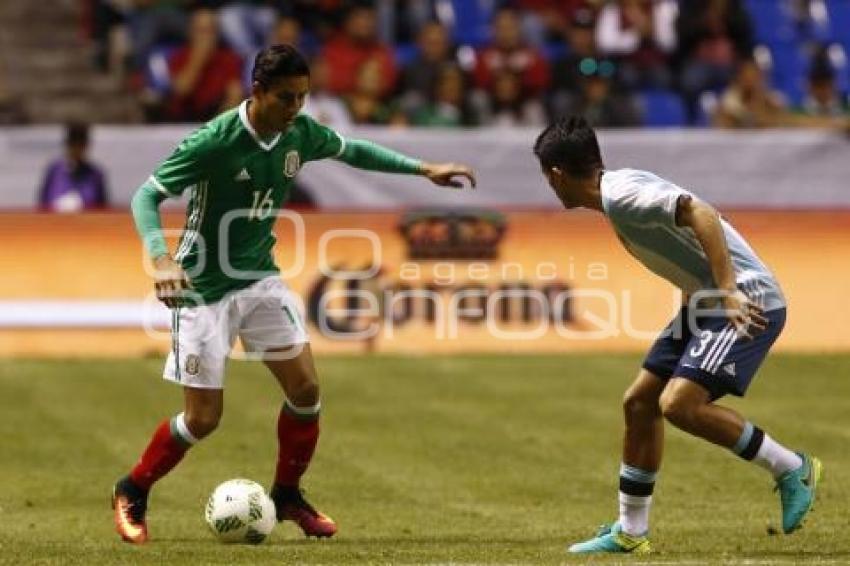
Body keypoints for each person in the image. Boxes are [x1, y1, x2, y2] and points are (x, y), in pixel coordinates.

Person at [112, 44, 475, 545]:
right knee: (203, 420)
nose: (296, 109)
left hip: (260, 278)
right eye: (287, 98)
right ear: (257, 91)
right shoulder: (214, 140)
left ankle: (287, 495)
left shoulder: (298, 132)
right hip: (204, 290)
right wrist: (161, 257)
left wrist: (422, 168)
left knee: (305, 392)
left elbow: (355, 150)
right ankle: (132, 487)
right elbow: (146, 196)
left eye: (303, 97)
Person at [533, 116, 821, 554]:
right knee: (639, 402)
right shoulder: (617, 193)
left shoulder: (624, 195)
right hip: (703, 302)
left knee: (678, 404)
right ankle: (631, 531)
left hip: (745, 299)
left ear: (556, 174)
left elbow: (700, 212)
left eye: (547, 177)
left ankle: (791, 467)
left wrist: (726, 289)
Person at [38, 122, 109, 212]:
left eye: (81, 144)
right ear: (67, 144)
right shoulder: (54, 171)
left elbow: (103, 210)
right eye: (73, 144)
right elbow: (42, 206)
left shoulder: (96, 175)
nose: (77, 149)